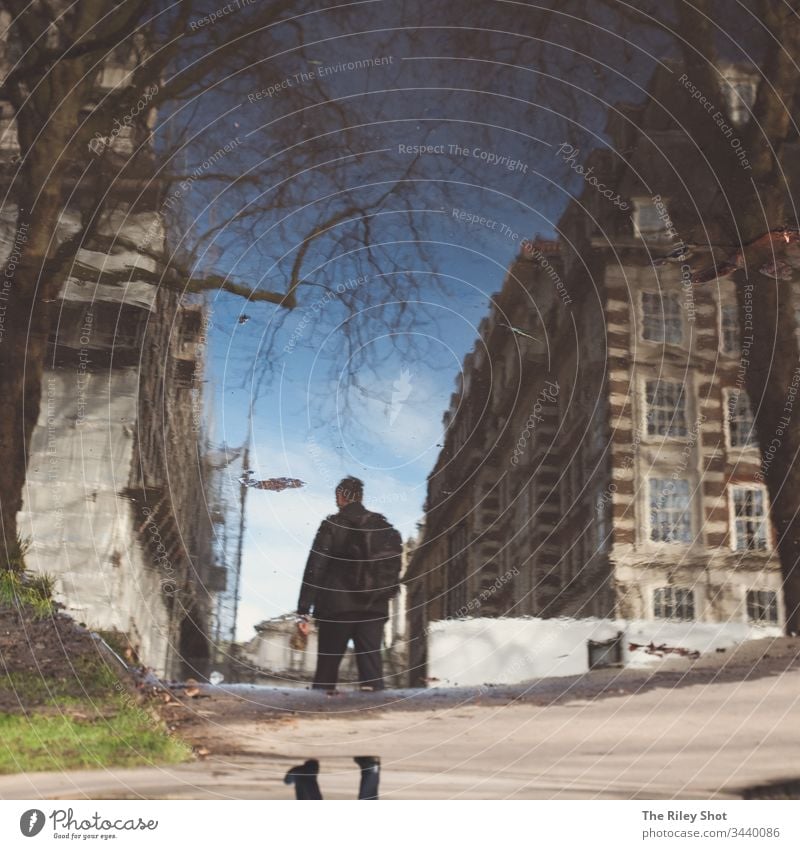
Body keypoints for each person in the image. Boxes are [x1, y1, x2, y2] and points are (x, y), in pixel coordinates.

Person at [297, 476, 400, 693]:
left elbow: (316, 567)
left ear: (340, 496)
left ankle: (318, 718)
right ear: (360, 496)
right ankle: (375, 717)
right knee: (372, 673)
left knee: (327, 670)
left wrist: (303, 610)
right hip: (374, 607)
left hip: (337, 608)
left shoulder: (333, 525)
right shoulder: (383, 527)